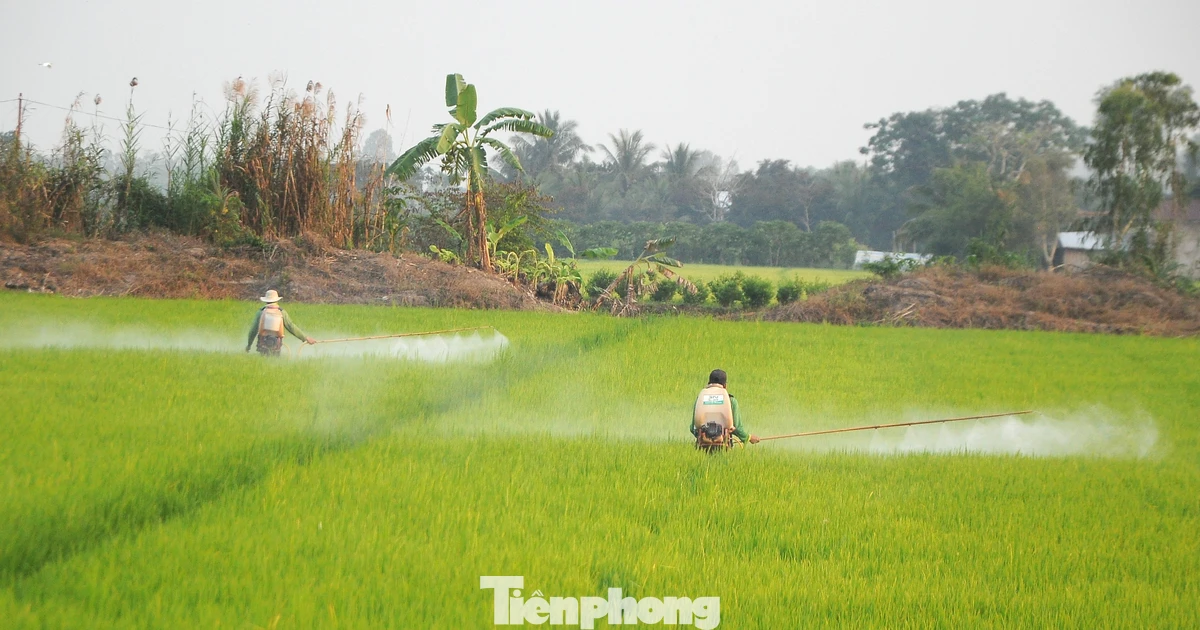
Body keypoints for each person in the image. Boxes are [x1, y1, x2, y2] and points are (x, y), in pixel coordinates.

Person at [691, 369, 759, 451]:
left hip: (702, 447)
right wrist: (748, 437)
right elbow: (737, 427)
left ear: (708, 383)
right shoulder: (731, 401)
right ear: (725, 385)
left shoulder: (700, 399)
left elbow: (693, 428)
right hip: (724, 447)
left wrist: (703, 436)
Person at [246, 289, 315, 356]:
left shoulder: (261, 312)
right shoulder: (282, 312)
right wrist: (305, 338)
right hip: (276, 344)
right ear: (276, 300)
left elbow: (253, 330)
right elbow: (291, 327)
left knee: (263, 361)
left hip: (263, 344)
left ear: (266, 301)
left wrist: (249, 345)